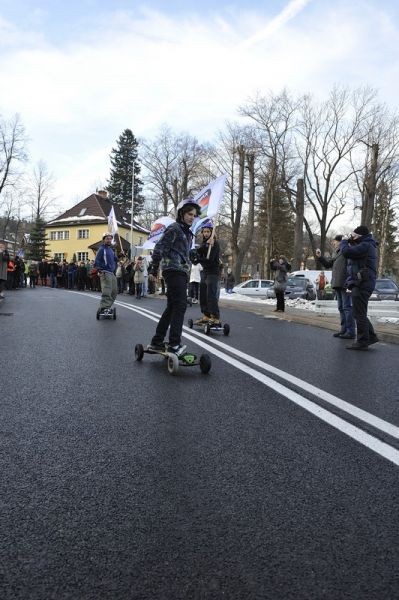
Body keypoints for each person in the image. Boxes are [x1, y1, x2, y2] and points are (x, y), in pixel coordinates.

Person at [147, 199, 201, 355]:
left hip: (182, 271)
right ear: (182, 214)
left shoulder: (188, 233)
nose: (192, 217)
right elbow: (160, 247)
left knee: (172, 307)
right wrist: (153, 268)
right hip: (173, 270)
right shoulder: (174, 229)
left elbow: (184, 254)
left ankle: (157, 341)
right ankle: (174, 344)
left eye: (194, 215)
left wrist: (194, 255)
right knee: (180, 305)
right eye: (189, 214)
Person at [341, 226, 378, 350]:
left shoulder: (366, 245)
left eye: (354, 235)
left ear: (359, 236)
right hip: (362, 282)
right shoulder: (366, 245)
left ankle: (362, 341)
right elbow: (354, 253)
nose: (351, 236)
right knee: (359, 313)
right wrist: (351, 241)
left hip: (362, 283)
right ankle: (371, 336)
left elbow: (346, 252)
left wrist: (344, 241)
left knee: (359, 313)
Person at [316, 235, 355, 339]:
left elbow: (351, 266)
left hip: (345, 283)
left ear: (340, 242)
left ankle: (350, 331)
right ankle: (343, 330)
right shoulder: (336, 252)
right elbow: (328, 264)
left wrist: (350, 280)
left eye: (335, 241)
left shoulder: (346, 251)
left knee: (347, 307)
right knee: (341, 307)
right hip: (337, 283)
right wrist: (320, 257)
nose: (333, 243)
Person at [194, 220, 222, 325]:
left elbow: (210, 260)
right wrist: (195, 258)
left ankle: (215, 316)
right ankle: (206, 315)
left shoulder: (215, 244)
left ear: (212, 232)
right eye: (204, 231)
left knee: (211, 293)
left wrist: (199, 259)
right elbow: (199, 253)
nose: (206, 233)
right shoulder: (204, 244)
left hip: (213, 272)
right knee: (202, 294)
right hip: (205, 272)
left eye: (208, 232)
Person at [94, 233, 117, 314]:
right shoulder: (101, 249)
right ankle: (104, 307)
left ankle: (107, 306)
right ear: (103, 240)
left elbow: (114, 259)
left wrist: (121, 255)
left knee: (114, 291)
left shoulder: (110, 249)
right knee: (107, 290)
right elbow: (96, 261)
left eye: (110, 239)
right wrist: (99, 270)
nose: (109, 240)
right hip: (105, 272)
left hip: (111, 272)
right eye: (107, 238)